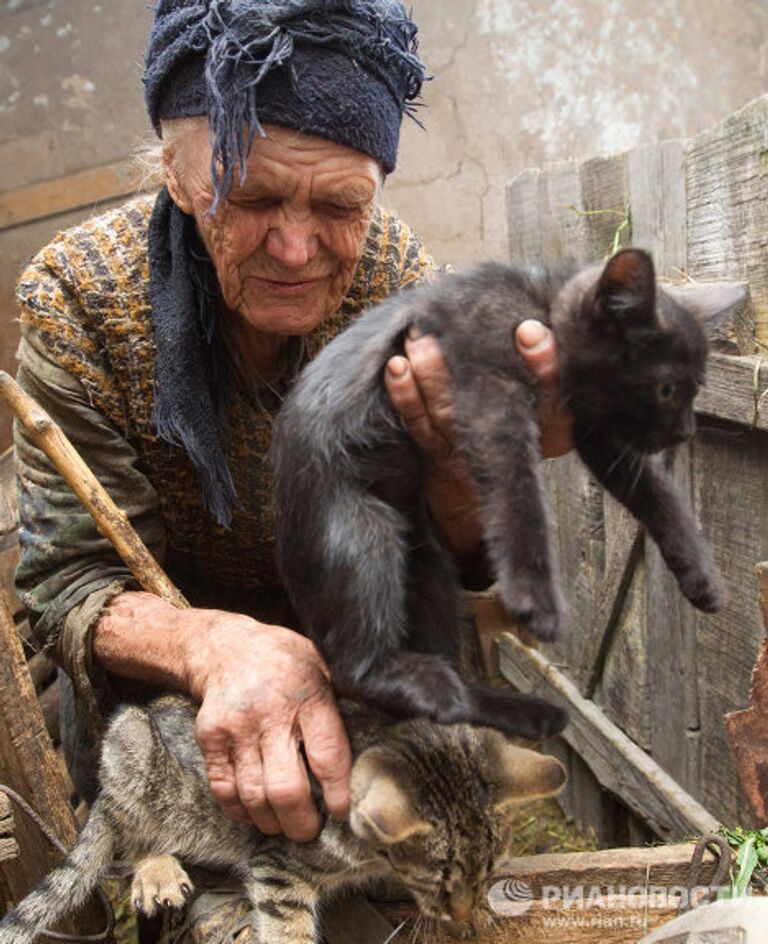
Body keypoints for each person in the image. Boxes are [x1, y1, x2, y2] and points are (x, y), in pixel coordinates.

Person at [14, 0, 571, 855]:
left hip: (359, 723)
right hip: (160, 731)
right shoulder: (82, 299)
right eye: (254, 196)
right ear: (175, 171)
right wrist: (212, 646)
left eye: (341, 206)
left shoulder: (400, 288)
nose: (297, 248)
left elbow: (441, 556)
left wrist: (472, 473)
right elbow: (66, 585)